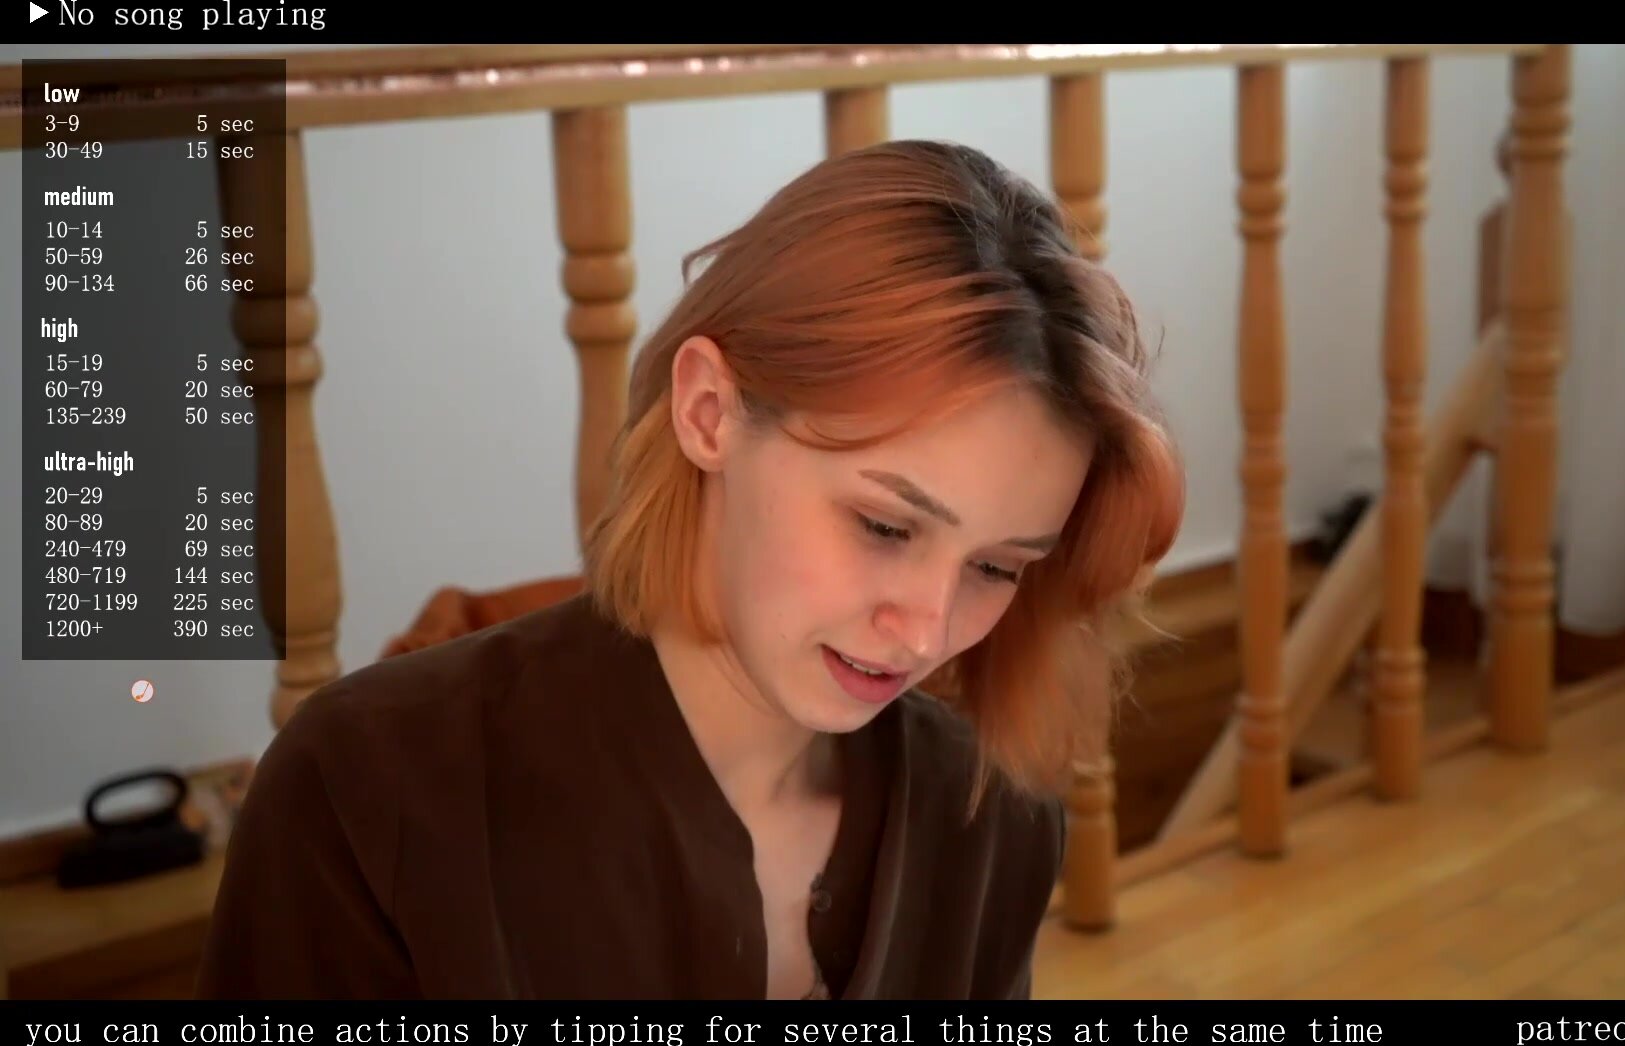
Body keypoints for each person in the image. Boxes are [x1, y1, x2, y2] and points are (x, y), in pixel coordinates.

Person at [194, 139, 1185, 1000]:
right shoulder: (365, 790)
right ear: (709, 411)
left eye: (997, 568)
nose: (927, 630)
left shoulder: (994, 821)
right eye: (885, 526)